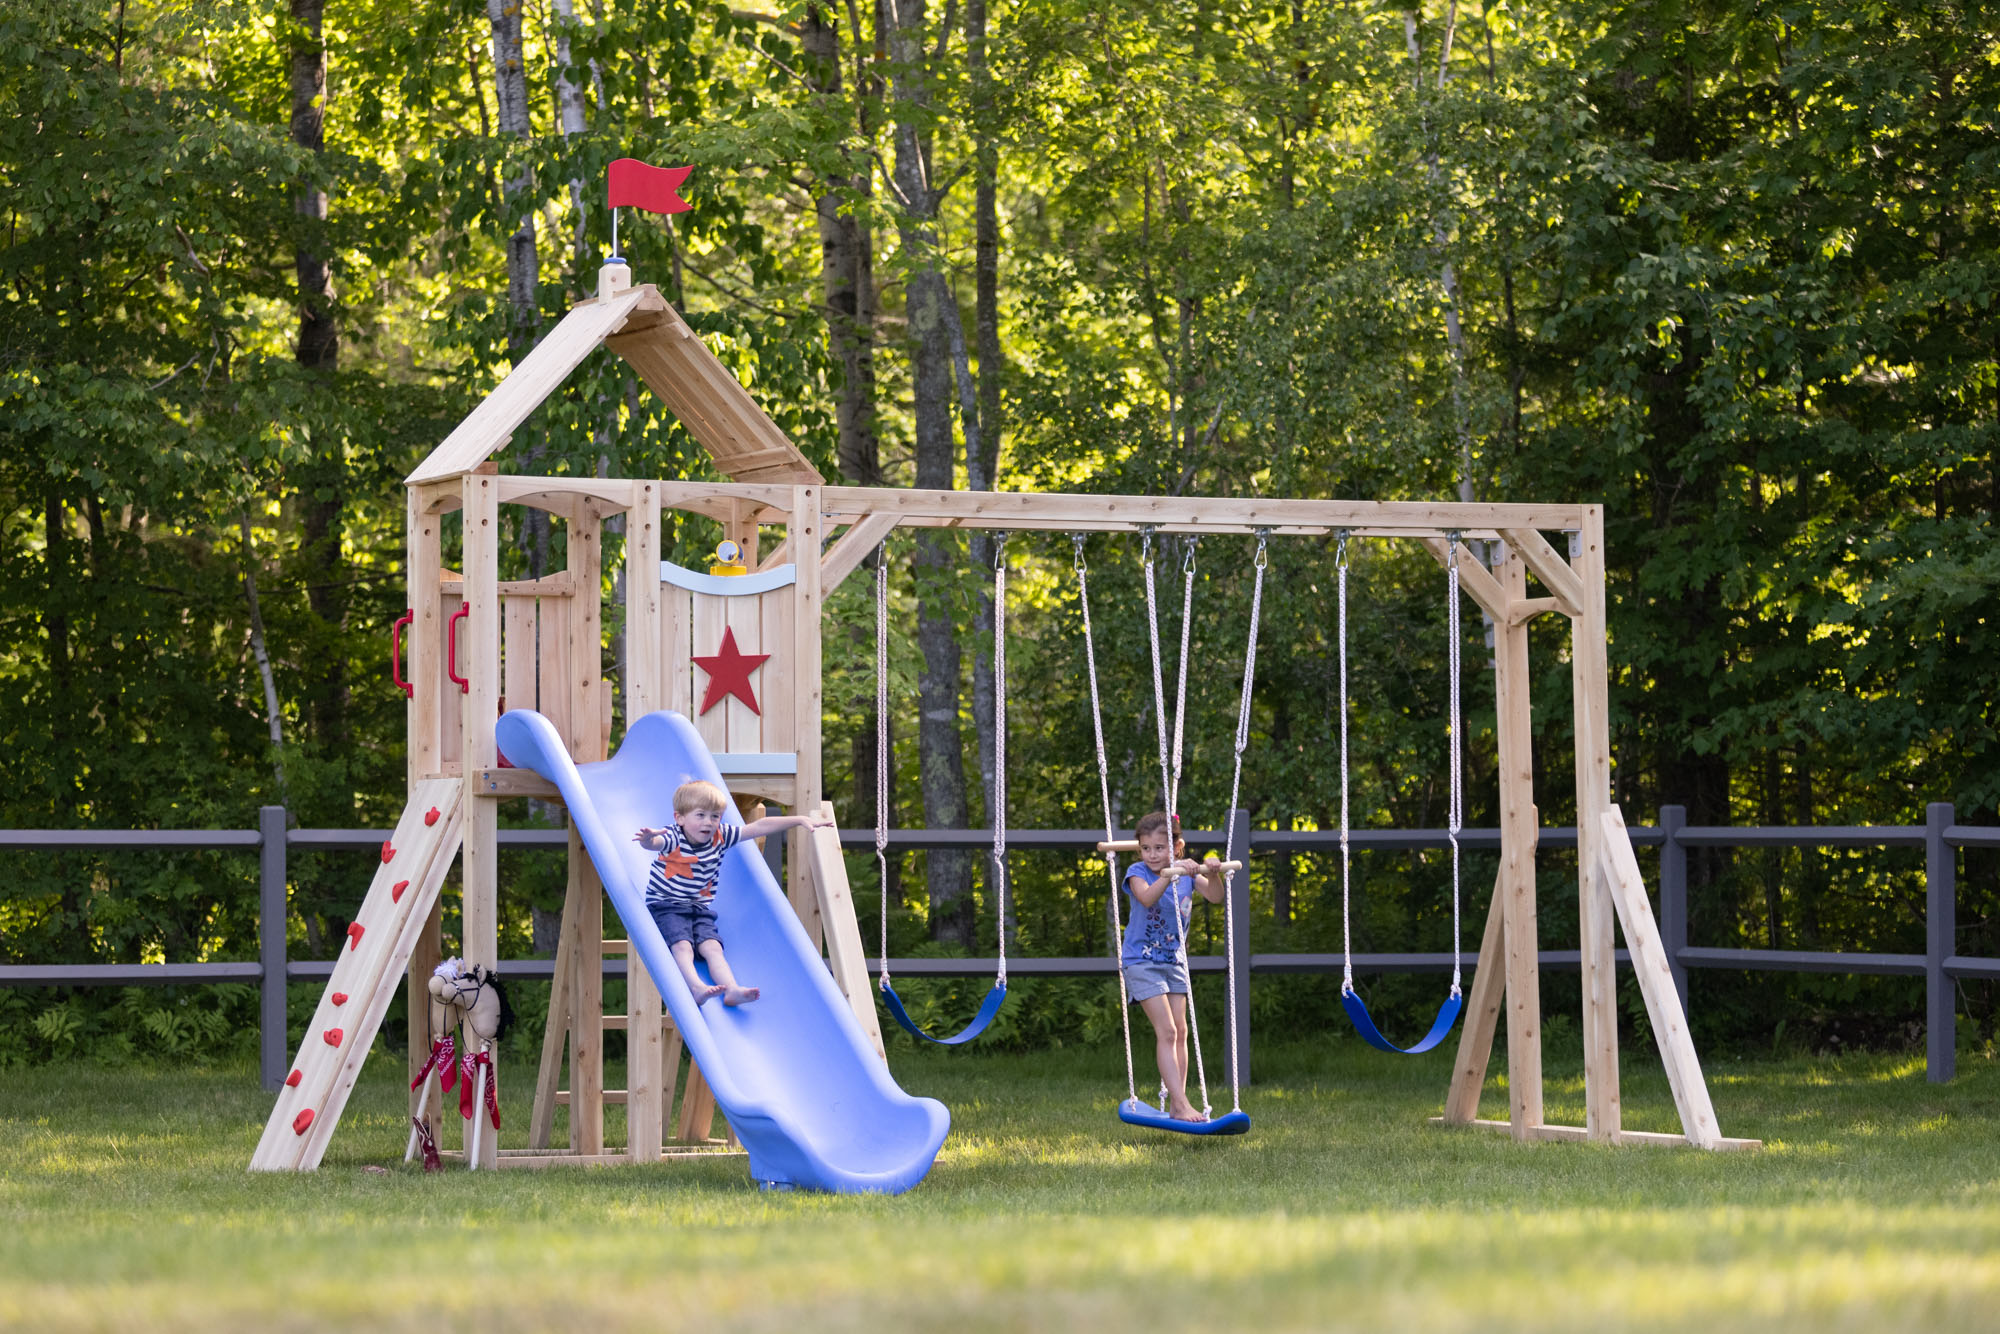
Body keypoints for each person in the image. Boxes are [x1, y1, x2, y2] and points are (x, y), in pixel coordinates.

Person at [634, 780, 831, 1006]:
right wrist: (648, 838)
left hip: (699, 907)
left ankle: (732, 989)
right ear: (680, 818)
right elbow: (655, 843)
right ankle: (696, 987)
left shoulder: (721, 835)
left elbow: (759, 827)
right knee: (682, 945)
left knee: (713, 947)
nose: (708, 822)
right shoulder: (674, 836)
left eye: (715, 816)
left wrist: (798, 820)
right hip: (666, 905)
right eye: (700, 815)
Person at [1120, 810, 1226, 1121]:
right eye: (1146, 848)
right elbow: (1146, 898)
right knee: (1166, 1031)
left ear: (1177, 847)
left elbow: (1215, 897)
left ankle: (1179, 1103)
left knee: (1180, 1031)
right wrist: (1171, 873)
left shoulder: (1188, 875)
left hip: (1174, 961)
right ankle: (1180, 1104)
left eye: (1159, 848)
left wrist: (1213, 873)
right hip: (1141, 961)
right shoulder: (1137, 872)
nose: (1152, 855)